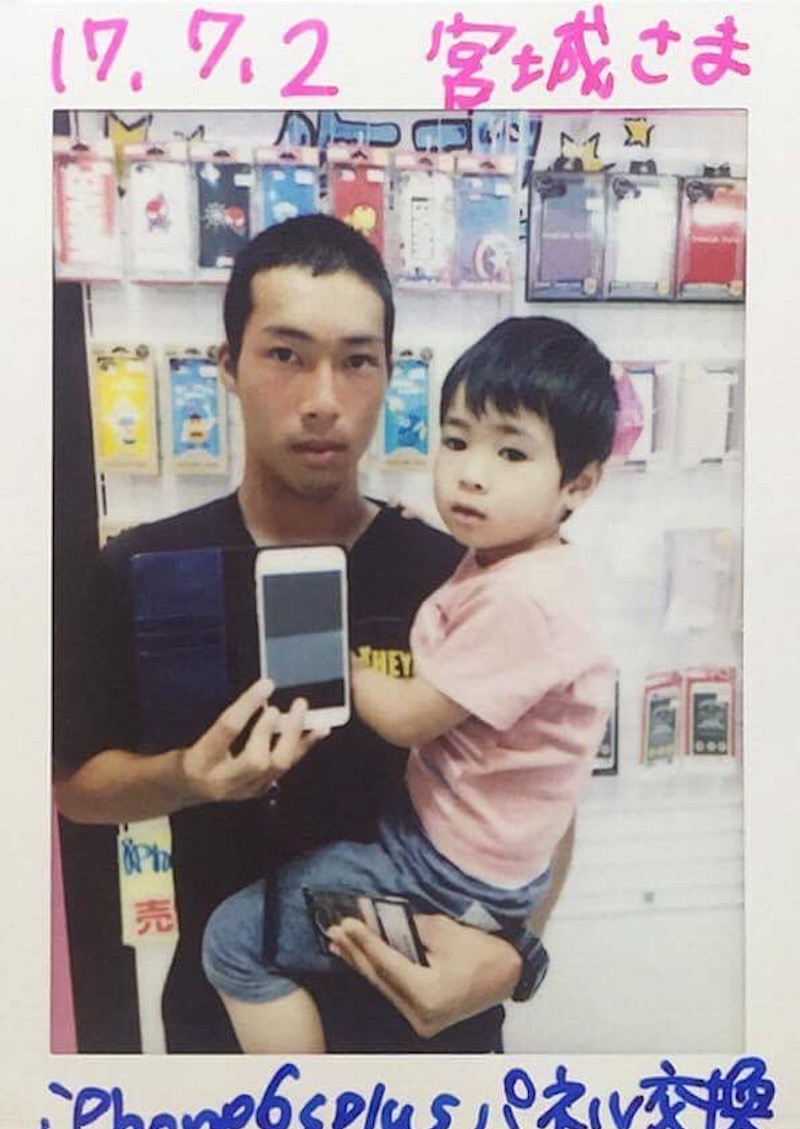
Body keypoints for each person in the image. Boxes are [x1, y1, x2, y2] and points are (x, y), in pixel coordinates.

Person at [53, 213, 533, 1054]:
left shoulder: (462, 575)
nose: (323, 399)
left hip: (434, 1026)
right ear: (228, 366)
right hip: (228, 1025)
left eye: (357, 360)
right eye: (285, 354)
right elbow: (76, 786)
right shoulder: (143, 567)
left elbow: (542, 789)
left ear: (389, 373)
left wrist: (513, 957)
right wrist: (187, 777)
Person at [201, 315, 617, 1053]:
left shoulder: (522, 601)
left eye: (511, 452)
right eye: (456, 441)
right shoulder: (519, 561)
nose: (472, 473)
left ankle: (300, 1110)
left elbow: (406, 719)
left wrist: (338, 658)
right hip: (473, 854)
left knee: (232, 942)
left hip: (443, 872)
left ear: (579, 483)